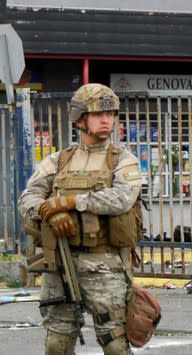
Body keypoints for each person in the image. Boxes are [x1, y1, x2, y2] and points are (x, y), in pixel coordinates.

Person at [18, 83, 142, 354]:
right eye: (99, 114)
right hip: (60, 263)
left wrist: (72, 202)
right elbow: (28, 198)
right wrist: (49, 214)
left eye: (111, 114)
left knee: (115, 342)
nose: (107, 120)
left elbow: (122, 198)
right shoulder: (58, 161)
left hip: (105, 263)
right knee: (57, 343)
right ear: (80, 118)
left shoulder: (123, 160)